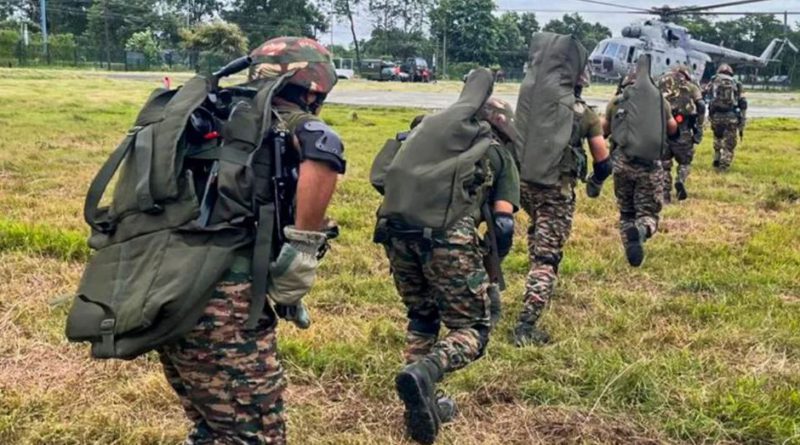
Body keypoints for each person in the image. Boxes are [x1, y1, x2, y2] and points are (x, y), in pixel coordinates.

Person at [157, 37, 345, 445]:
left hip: (162, 287)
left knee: (212, 425)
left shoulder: (210, 112)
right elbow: (323, 148)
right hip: (224, 306)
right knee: (255, 434)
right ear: (314, 86)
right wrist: (304, 248)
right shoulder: (286, 119)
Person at [371, 69, 519, 445]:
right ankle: (426, 372)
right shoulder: (495, 151)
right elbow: (503, 224)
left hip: (395, 234)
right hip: (447, 240)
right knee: (475, 327)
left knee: (422, 315)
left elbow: (381, 179)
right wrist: (487, 265)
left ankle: (423, 401)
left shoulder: (419, 137)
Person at [512, 32, 611, 347]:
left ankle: (530, 278)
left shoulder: (528, 102)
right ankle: (526, 325)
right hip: (556, 191)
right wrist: (595, 183)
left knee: (536, 233)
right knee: (547, 258)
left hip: (522, 186)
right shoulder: (584, 113)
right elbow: (603, 161)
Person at [604, 59, 678, 268]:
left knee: (626, 211)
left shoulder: (617, 102)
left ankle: (630, 243)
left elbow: (604, 129)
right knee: (648, 213)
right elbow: (672, 128)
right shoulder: (659, 101)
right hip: (649, 166)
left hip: (621, 165)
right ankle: (642, 230)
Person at [657, 65, 706, 202]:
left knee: (664, 164)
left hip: (662, 129)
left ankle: (665, 195)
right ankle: (680, 180)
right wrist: (699, 127)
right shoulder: (691, 86)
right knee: (685, 162)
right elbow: (701, 106)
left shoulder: (659, 83)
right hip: (682, 129)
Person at [705, 63, 747, 171]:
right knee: (729, 143)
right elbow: (743, 102)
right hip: (731, 117)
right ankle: (723, 166)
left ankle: (717, 157)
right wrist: (742, 119)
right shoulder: (736, 83)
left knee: (717, 137)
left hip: (716, 116)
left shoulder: (714, 81)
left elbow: (704, 93)